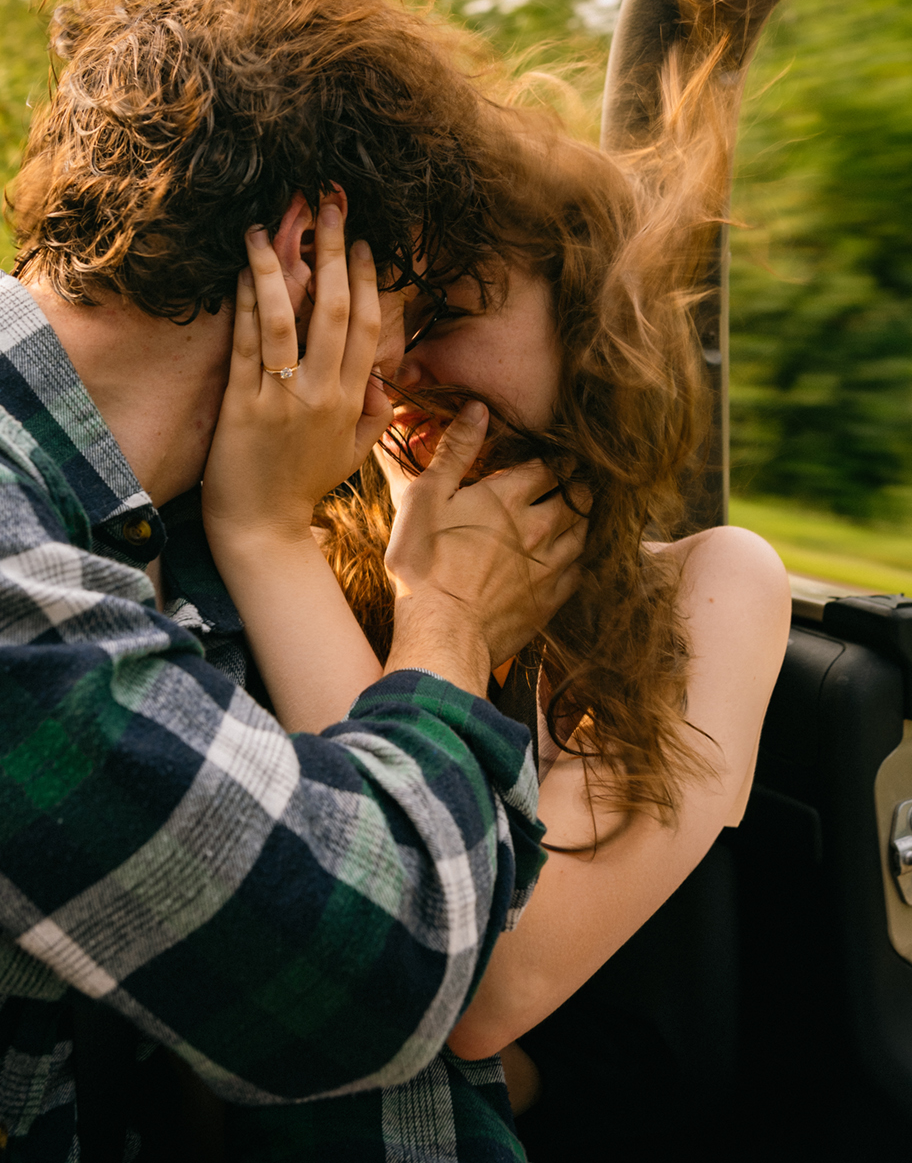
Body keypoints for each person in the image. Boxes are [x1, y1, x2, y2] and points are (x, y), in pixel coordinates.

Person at [0, 0, 580, 1160]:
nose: (402, 371)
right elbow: (365, 973)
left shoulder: (139, 536)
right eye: (413, 304)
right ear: (307, 259)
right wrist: (447, 623)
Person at [212, 61, 789, 1156]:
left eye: (451, 310)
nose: (398, 365)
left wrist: (434, 607)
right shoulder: (324, 532)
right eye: (387, 314)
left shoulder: (716, 583)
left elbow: (468, 977)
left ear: (592, 322)